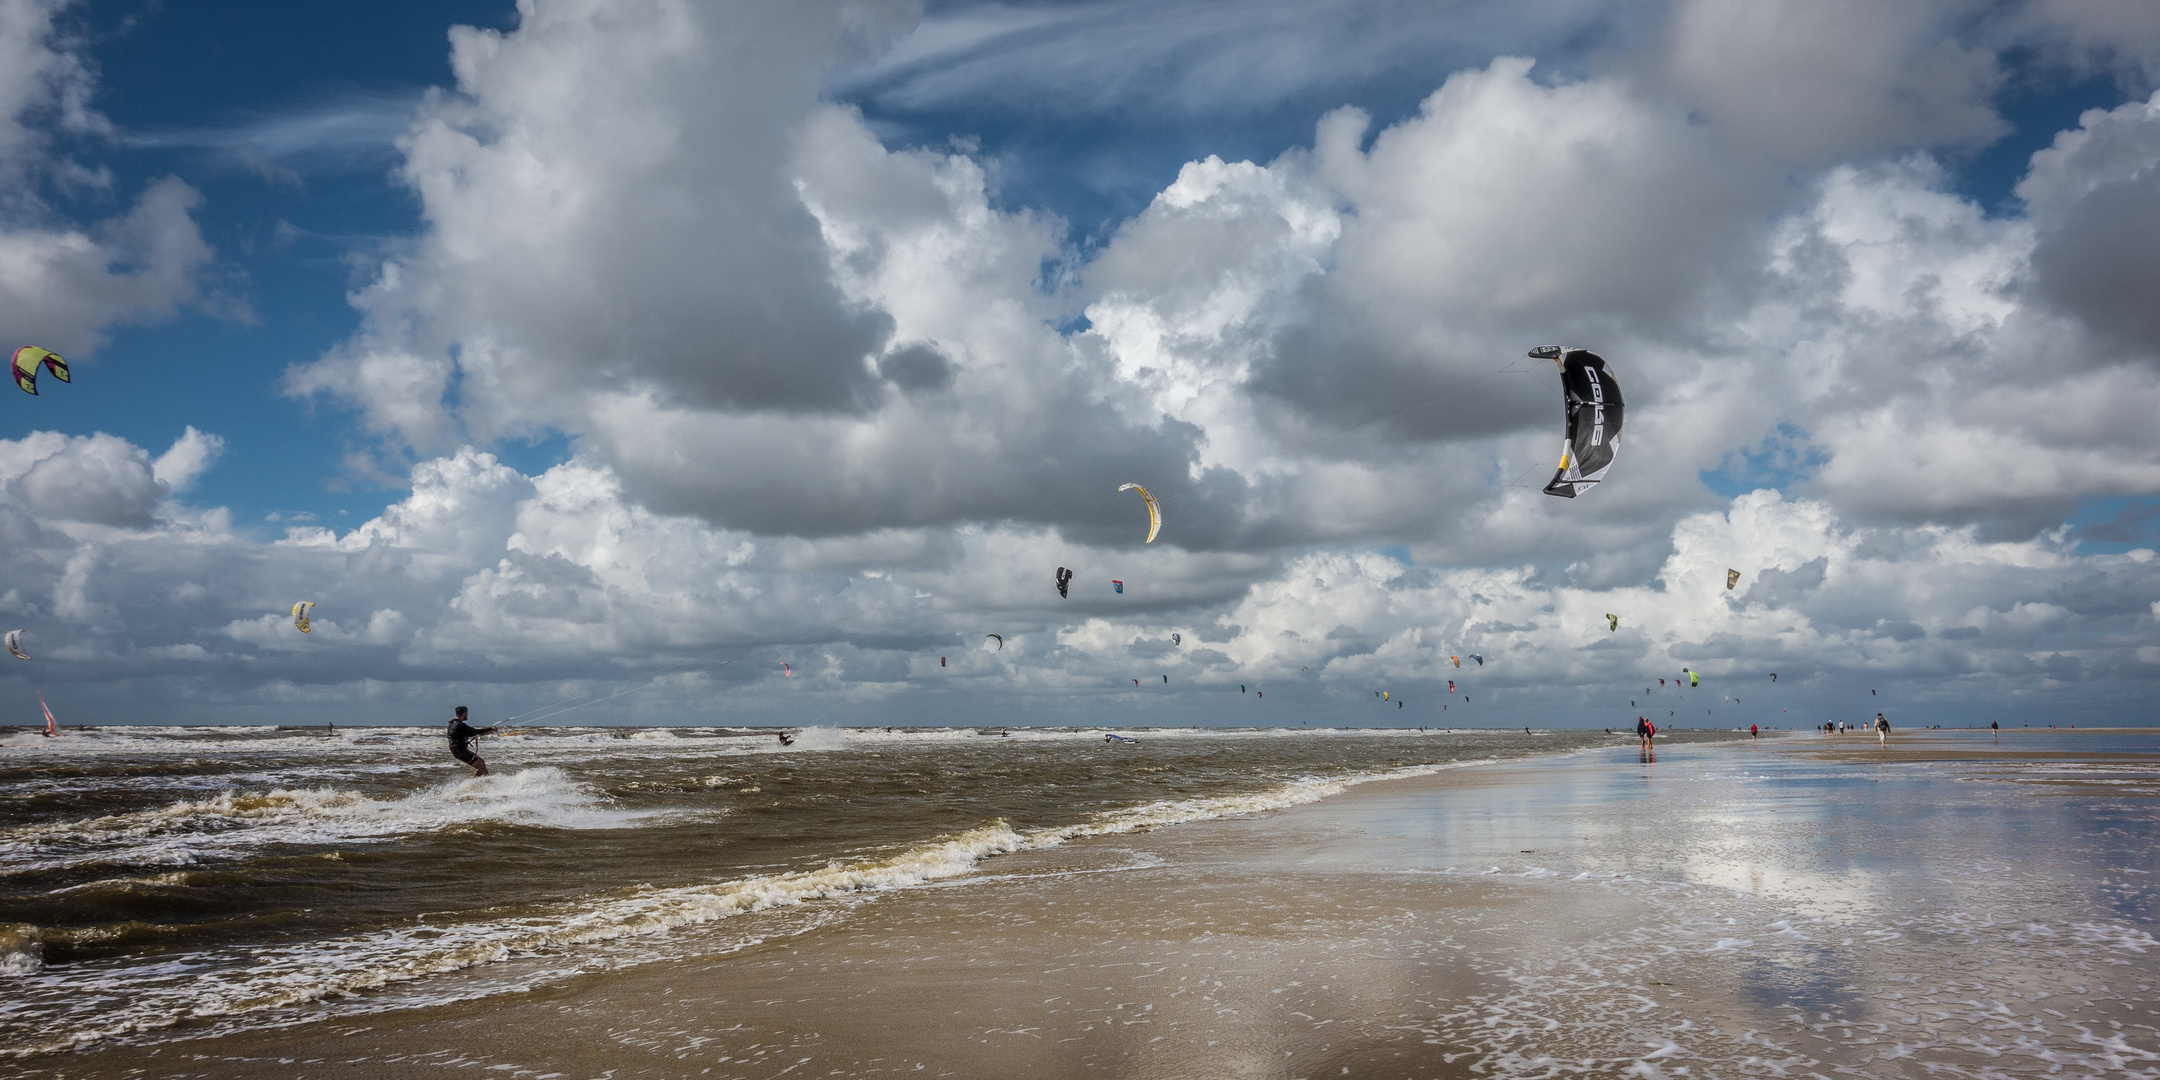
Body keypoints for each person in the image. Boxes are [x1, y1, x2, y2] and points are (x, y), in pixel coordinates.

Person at [447, 706, 497, 776]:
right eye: (467, 713)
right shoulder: (460, 725)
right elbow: (474, 732)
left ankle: (474, 783)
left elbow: (470, 733)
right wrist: (490, 729)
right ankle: (487, 783)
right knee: (481, 767)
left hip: (458, 750)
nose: (467, 715)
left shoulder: (452, 724)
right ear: (464, 713)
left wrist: (486, 732)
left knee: (481, 762)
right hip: (460, 751)